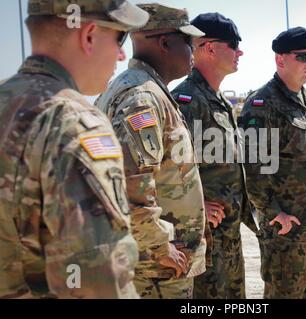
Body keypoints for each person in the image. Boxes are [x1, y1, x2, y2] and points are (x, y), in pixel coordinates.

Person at [0, 0, 149, 298]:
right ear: (89, 35)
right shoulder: (75, 122)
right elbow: (96, 278)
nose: (122, 54)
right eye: (120, 38)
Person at [95, 3, 208, 299]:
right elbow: (127, 184)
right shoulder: (142, 98)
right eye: (189, 42)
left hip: (155, 263)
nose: (193, 51)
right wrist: (159, 246)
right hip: (154, 270)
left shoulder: (141, 90)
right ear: (166, 43)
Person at [238, 27, 306, 299]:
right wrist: (273, 212)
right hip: (288, 229)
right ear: (280, 59)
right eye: (303, 57)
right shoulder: (263, 104)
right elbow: (253, 167)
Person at [171, 12, 257, 299]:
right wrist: (194, 206)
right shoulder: (186, 100)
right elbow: (164, 170)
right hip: (204, 240)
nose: (240, 51)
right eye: (233, 44)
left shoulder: (219, 101)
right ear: (209, 47)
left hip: (228, 238)